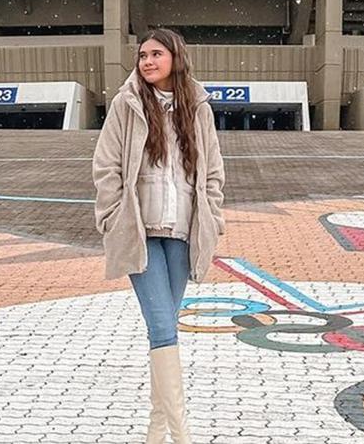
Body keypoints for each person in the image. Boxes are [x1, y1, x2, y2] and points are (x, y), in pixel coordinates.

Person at [92, 27, 227, 443]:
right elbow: (106, 165)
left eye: (155, 54)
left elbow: (214, 173)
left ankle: (156, 433)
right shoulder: (126, 103)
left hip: (183, 232)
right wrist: (114, 216)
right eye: (142, 55)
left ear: (175, 57)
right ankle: (183, 434)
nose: (147, 61)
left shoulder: (197, 108)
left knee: (165, 327)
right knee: (163, 328)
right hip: (141, 231)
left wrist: (212, 218)